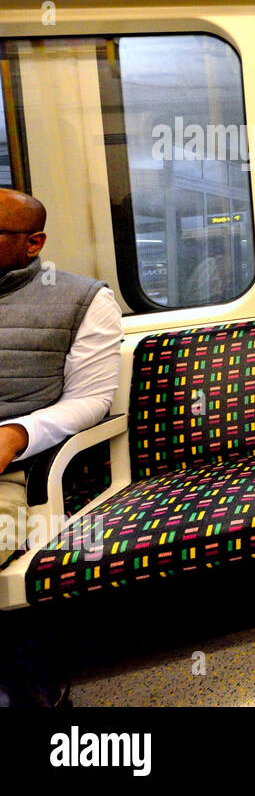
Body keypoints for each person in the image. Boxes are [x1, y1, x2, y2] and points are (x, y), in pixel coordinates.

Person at [0, 188, 122, 705]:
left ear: (33, 243)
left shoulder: (82, 299)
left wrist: (17, 435)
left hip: (12, 470)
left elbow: (92, 400)